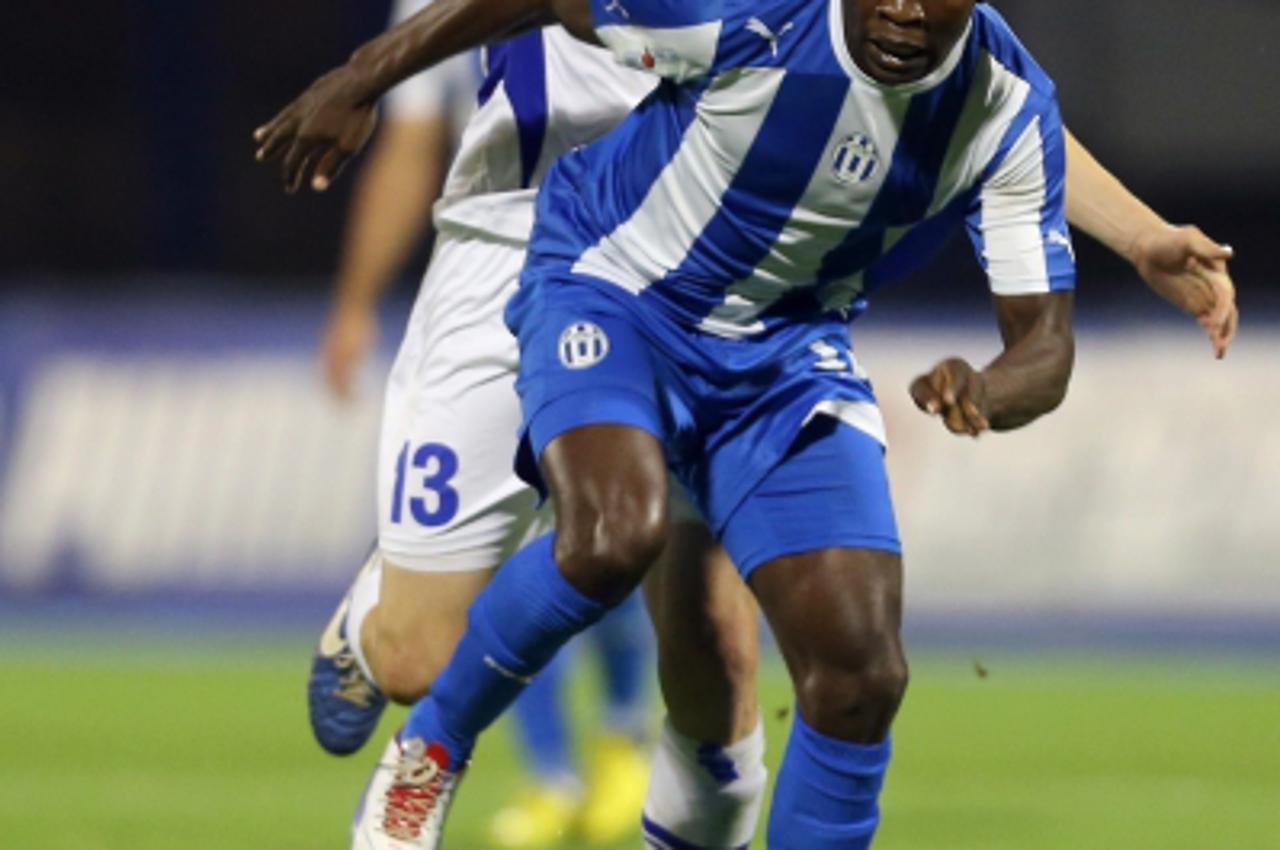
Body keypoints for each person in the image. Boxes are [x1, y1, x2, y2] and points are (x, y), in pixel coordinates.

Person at [255, 0, 1238, 846]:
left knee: (748, 653)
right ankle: (428, 608)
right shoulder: (758, 17)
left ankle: (589, 487)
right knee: (424, 649)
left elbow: (984, 89)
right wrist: (358, 90)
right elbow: (477, 63)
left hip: (767, 324)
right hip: (541, 234)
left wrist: (1137, 233)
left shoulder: (943, 52)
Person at [312, 2, 659, 845]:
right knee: (415, 660)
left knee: (653, 550)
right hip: (509, 237)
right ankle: (382, 608)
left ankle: (622, 748)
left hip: (684, 248)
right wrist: (355, 301)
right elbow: (412, 134)